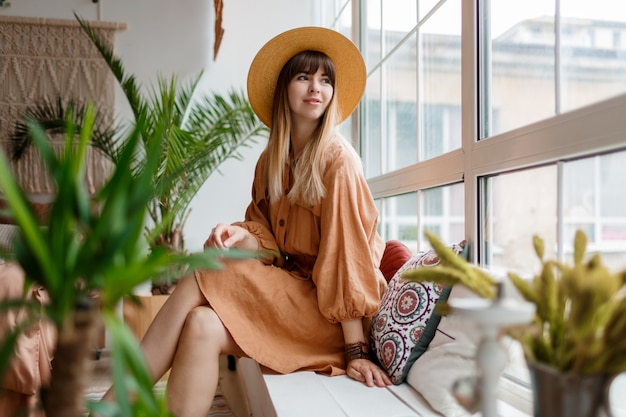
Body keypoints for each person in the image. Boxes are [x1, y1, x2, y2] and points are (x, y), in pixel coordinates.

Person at [102, 26, 392, 417]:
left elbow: (349, 260)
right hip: (294, 296)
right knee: (202, 324)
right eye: (303, 77)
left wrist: (355, 350)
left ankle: (111, 405)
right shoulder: (271, 162)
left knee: (205, 272)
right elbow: (269, 243)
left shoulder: (338, 163)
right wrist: (238, 234)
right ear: (284, 89)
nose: (315, 88)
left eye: (325, 79)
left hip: (332, 318)